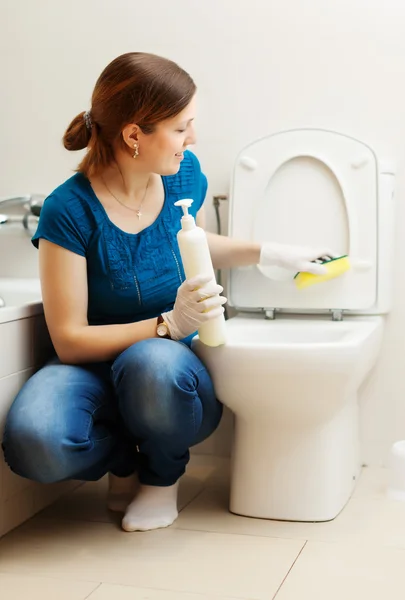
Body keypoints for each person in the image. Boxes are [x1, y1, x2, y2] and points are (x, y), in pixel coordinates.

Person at [1, 52, 334, 532]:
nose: (192, 139)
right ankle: (125, 461)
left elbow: (189, 243)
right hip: (92, 365)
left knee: (150, 361)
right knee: (36, 442)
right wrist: (168, 324)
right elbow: (70, 341)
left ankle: (161, 479)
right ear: (135, 135)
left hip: (164, 375)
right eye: (181, 128)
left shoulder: (182, 173)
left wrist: (270, 252)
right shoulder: (68, 210)